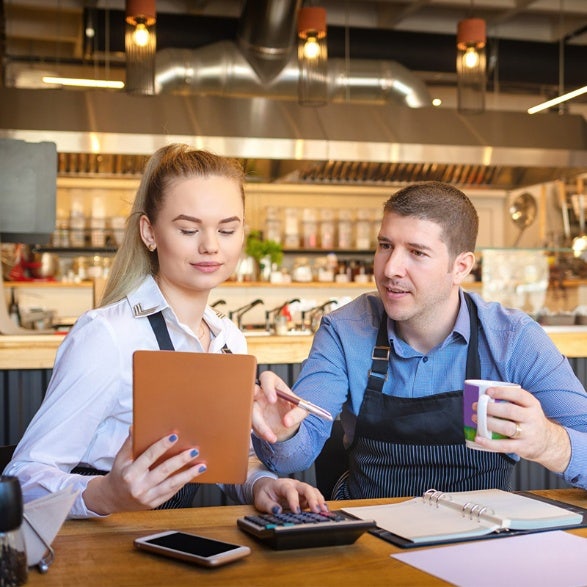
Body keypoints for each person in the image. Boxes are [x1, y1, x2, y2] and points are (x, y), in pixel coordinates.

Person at [4, 144, 325, 517]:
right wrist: (106, 494)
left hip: (166, 542)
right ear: (149, 232)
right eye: (189, 229)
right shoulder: (108, 335)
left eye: (226, 229)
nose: (210, 246)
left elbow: (222, 461)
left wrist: (264, 483)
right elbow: (22, 478)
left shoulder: (228, 340)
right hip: (96, 553)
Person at [253, 181, 587, 499]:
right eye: (386, 246)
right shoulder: (344, 330)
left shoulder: (512, 339)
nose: (390, 269)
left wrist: (548, 443)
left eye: (416, 252)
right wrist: (282, 430)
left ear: (460, 267)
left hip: (479, 535)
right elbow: (292, 458)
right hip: (370, 534)